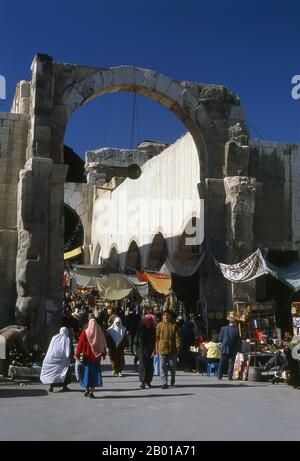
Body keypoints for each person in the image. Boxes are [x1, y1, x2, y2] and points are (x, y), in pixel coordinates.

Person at [75, 315, 107, 399]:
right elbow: (103, 343)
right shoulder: (99, 331)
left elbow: (80, 344)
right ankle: (92, 392)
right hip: (96, 359)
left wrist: (77, 354)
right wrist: (103, 354)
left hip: (87, 358)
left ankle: (86, 390)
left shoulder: (85, 332)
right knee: (94, 375)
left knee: (86, 374)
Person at [40, 327, 72, 393]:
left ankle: (52, 386)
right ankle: (64, 386)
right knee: (64, 372)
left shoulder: (54, 337)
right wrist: (69, 358)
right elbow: (68, 351)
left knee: (54, 374)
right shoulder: (66, 338)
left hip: (51, 358)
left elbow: (50, 348)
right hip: (61, 360)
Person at [156, 310, 181, 389]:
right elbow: (157, 338)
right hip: (161, 347)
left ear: (170, 316)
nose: (165, 317)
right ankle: (164, 382)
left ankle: (172, 377)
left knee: (172, 366)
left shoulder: (174, 325)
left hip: (172, 348)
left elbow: (177, 338)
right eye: (164, 315)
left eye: (167, 315)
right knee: (162, 366)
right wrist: (156, 348)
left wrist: (178, 347)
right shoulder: (159, 325)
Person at [134, 314, 156, 389]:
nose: (148, 322)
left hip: (151, 350)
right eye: (146, 320)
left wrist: (155, 351)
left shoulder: (154, 329)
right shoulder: (140, 329)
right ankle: (142, 382)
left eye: (149, 321)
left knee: (149, 366)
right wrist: (135, 350)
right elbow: (136, 340)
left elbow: (156, 341)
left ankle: (148, 381)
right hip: (142, 349)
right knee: (142, 366)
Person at [217, 315, 242, 381]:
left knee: (222, 362)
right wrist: (239, 349)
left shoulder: (223, 328)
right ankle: (229, 377)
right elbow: (238, 341)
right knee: (231, 363)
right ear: (234, 323)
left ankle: (219, 376)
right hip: (232, 348)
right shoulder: (236, 330)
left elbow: (220, 339)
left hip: (224, 347)